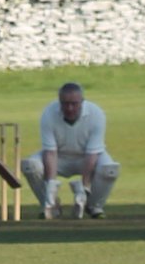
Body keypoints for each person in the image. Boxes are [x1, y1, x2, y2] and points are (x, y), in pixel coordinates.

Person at [21, 83, 120, 220]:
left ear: (82, 102)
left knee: (110, 169)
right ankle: (50, 204)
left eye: (74, 104)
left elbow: (92, 154)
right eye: (65, 104)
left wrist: (84, 187)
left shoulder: (96, 114)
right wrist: (51, 186)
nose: (70, 108)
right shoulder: (49, 113)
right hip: (59, 157)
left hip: (87, 157)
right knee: (30, 165)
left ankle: (93, 206)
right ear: (59, 102)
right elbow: (50, 152)